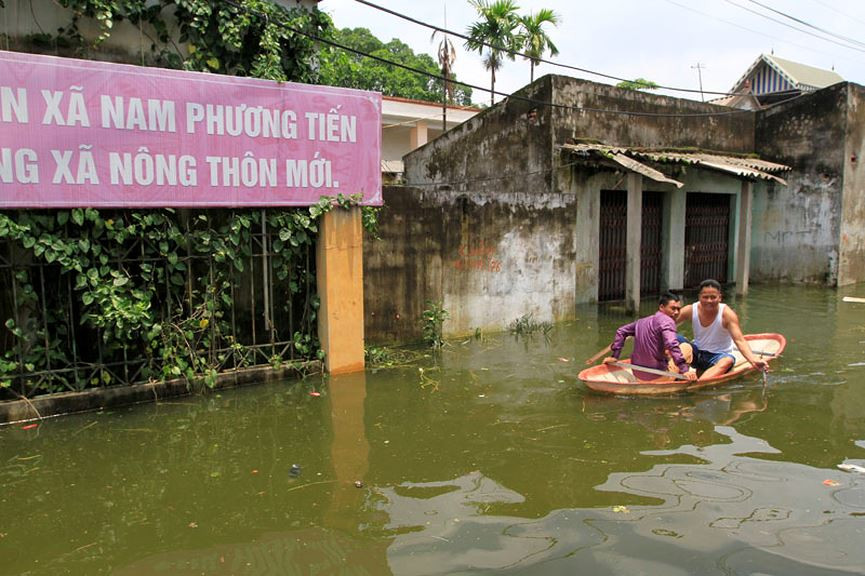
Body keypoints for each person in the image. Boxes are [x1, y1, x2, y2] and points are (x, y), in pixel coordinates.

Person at [676, 279, 767, 380]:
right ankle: (672, 371)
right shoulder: (690, 310)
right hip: (698, 353)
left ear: (719, 298)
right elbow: (665, 325)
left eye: (713, 297)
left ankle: (698, 383)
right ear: (699, 297)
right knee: (676, 338)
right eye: (705, 297)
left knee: (727, 360)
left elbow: (739, 340)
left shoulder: (727, 314)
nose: (709, 301)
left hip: (718, 356)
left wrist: (754, 360)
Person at [602, 292, 697, 381]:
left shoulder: (642, 321)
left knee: (667, 351)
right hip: (658, 376)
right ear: (661, 307)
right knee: (686, 347)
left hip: (637, 374)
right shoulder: (668, 321)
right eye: (673, 308)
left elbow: (621, 331)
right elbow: (672, 344)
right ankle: (682, 376)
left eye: (678, 309)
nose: (676, 312)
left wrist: (615, 356)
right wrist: (685, 370)